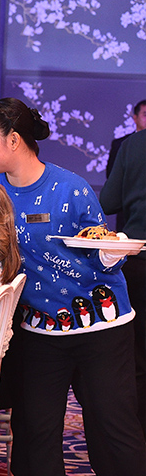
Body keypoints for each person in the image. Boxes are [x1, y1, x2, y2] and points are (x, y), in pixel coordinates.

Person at [0, 97, 145, 476]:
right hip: (40, 329)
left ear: (14, 140)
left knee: (116, 424)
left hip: (100, 327)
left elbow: (102, 248)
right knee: (39, 427)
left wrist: (109, 251)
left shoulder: (71, 188)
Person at [101, 128, 146, 435]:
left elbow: (108, 200)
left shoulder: (134, 143)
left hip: (140, 260)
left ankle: (139, 442)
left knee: (138, 361)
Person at [106, 99, 146, 231]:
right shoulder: (123, 144)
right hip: (128, 217)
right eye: (145, 114)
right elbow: (112, 179)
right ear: (135, 118)